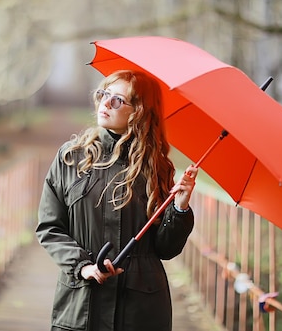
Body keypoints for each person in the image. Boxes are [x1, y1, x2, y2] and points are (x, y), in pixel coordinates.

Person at [36, 69, 197, 331]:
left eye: (118, 100)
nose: (106, 103)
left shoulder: (157, 167)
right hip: (81, 306)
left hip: (139, 311)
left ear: (140, 112)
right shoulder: (71, 158)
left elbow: (166, 249)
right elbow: (49, 227)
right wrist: (82, 266)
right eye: (104, 94)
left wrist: (180, 207)